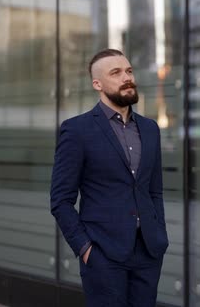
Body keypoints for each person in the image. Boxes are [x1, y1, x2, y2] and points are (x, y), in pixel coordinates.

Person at [50, 48, 169, 307]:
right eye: (115, 73)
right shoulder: (77, 129)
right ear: (97, 84)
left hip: (148, 252)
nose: (126, 77)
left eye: (128, 71)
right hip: (103, 253)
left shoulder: (150, 129)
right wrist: (86, 249)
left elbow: (154, 190)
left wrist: (159, 233)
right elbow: (60, 200)